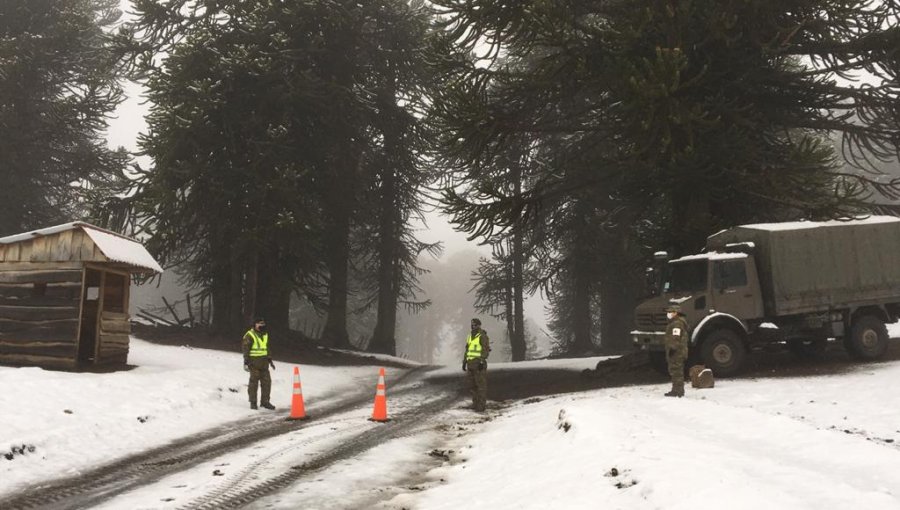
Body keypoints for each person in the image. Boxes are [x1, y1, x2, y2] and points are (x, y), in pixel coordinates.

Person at [242, 317, 276, 410]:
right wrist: (246, 361)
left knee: (267, 383)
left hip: (264, 363)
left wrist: (270, 359)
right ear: (255, 324)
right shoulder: (249, 335)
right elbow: (245, 349)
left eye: (263, 323)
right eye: (260, 323)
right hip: (253, 363)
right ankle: (253, 402)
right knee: (253, 384)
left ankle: (265, 402)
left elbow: (266, 347)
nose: (262, 325)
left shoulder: (265, 334)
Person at [462, 317, 491, 411]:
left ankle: (481, 405)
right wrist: (464, 361)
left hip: (478, 364)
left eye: (474, 325)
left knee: (481, 386)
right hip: (470, 364)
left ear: (479, 325)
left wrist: (482, 361)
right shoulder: (470, 336)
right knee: (472, 386)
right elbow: (467, 350)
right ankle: (475, 403)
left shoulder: (482, 336)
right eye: (472, 324)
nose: (472, 326)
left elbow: (485, 349)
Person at [664, 304, 689, 397]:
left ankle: (678, 391)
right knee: (675, 371)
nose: (668, 314)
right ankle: (676, 389)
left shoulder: (677, 323)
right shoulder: (675, 322)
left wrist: (672, 348)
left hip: (677, 352)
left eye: (670, 312)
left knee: (677, 371)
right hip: (677, 351)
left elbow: (675, 337)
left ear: (676, 313)